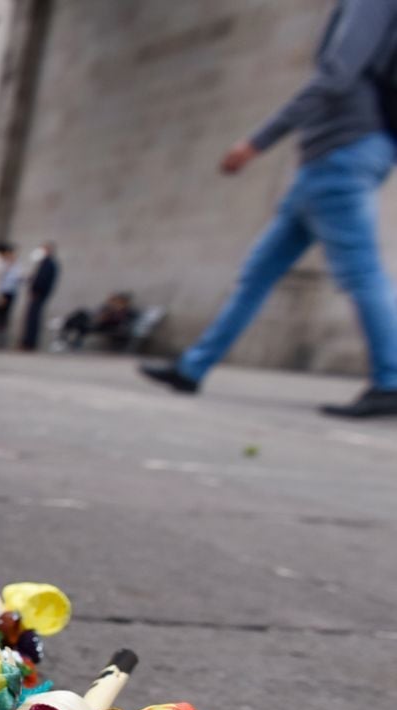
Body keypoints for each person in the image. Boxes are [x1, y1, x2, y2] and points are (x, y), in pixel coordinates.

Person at [143, 0, 397, 416]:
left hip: (343, 154)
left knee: (362, 273)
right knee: (258, 273)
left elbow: (336, 76)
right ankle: (193, 367)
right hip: (326, 161)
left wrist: (257, 141)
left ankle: (391, 381)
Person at [61, 293, 139, 350]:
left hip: (109, 327)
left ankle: (68, 338)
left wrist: (109, 316)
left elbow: (122, 322)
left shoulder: (126, 311)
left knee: (83, 323)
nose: (114, 302)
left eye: (117, 301)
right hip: (98, 323)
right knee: (81, 314)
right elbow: (97, 314)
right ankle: (68, 333)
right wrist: (101, 317)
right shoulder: (107, 308)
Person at [22, 241, 59, 350]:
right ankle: (28, 341)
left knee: (33, 319)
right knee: (31, 318)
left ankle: (29, 342)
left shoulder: (49, 264)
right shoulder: (44, 263)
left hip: (39, 294)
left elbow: (42, 280)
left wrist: (36, 290)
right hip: (38, 294)